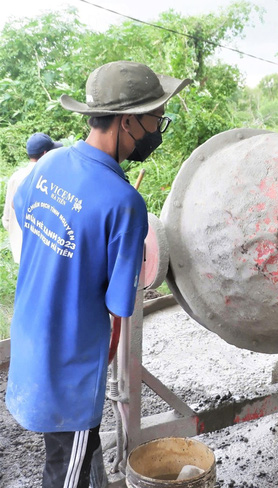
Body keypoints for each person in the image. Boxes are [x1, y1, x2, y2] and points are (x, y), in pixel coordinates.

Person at [4, 61, 191, 488]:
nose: (158, 128)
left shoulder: (47, 166)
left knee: (76, 455)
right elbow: (119, 308)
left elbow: (26, 219)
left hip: (31, 336)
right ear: (128, 122)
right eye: (155, 117)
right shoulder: (123, 202)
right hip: (72, 362)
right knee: (64, 471)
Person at [2, 132, 63, 263]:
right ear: (45, 154)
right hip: (44, 255)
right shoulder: (50, 176)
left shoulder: (15, 177)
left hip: (20, 252)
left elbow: (6, 219)